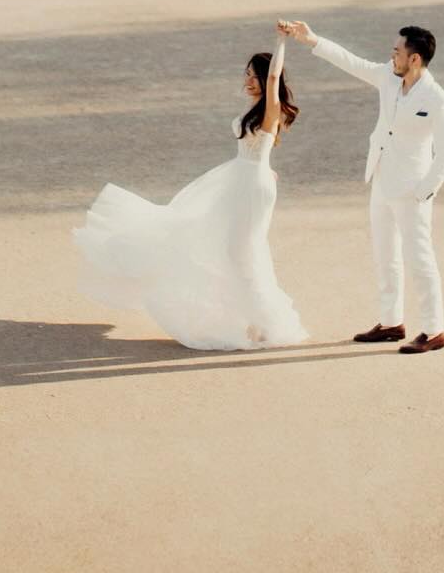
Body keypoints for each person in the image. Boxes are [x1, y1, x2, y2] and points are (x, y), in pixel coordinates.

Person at [74, 43, 307, 351]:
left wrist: (281, 40)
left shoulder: (270, 107)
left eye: (256, 76)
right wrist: (263, 169)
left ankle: (266, 321)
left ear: (268, 81)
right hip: (243, 178)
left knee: (243, 251)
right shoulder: (255, 109)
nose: (249, 81)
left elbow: (276, 79)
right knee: (229, 246)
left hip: (251, 184)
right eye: (247, 75)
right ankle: (254, 318)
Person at [277, 19, 444, 354]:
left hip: (412, 191)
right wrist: (312, 39)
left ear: (414, 59)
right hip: (382, 180)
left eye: (397, 51)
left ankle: (434, 330)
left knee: (419, 259)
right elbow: (352, 62)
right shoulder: (388, 76)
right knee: (385, 254)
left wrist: (422, 193)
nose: (392, 55)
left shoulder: (438, 99)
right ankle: (391, 323)